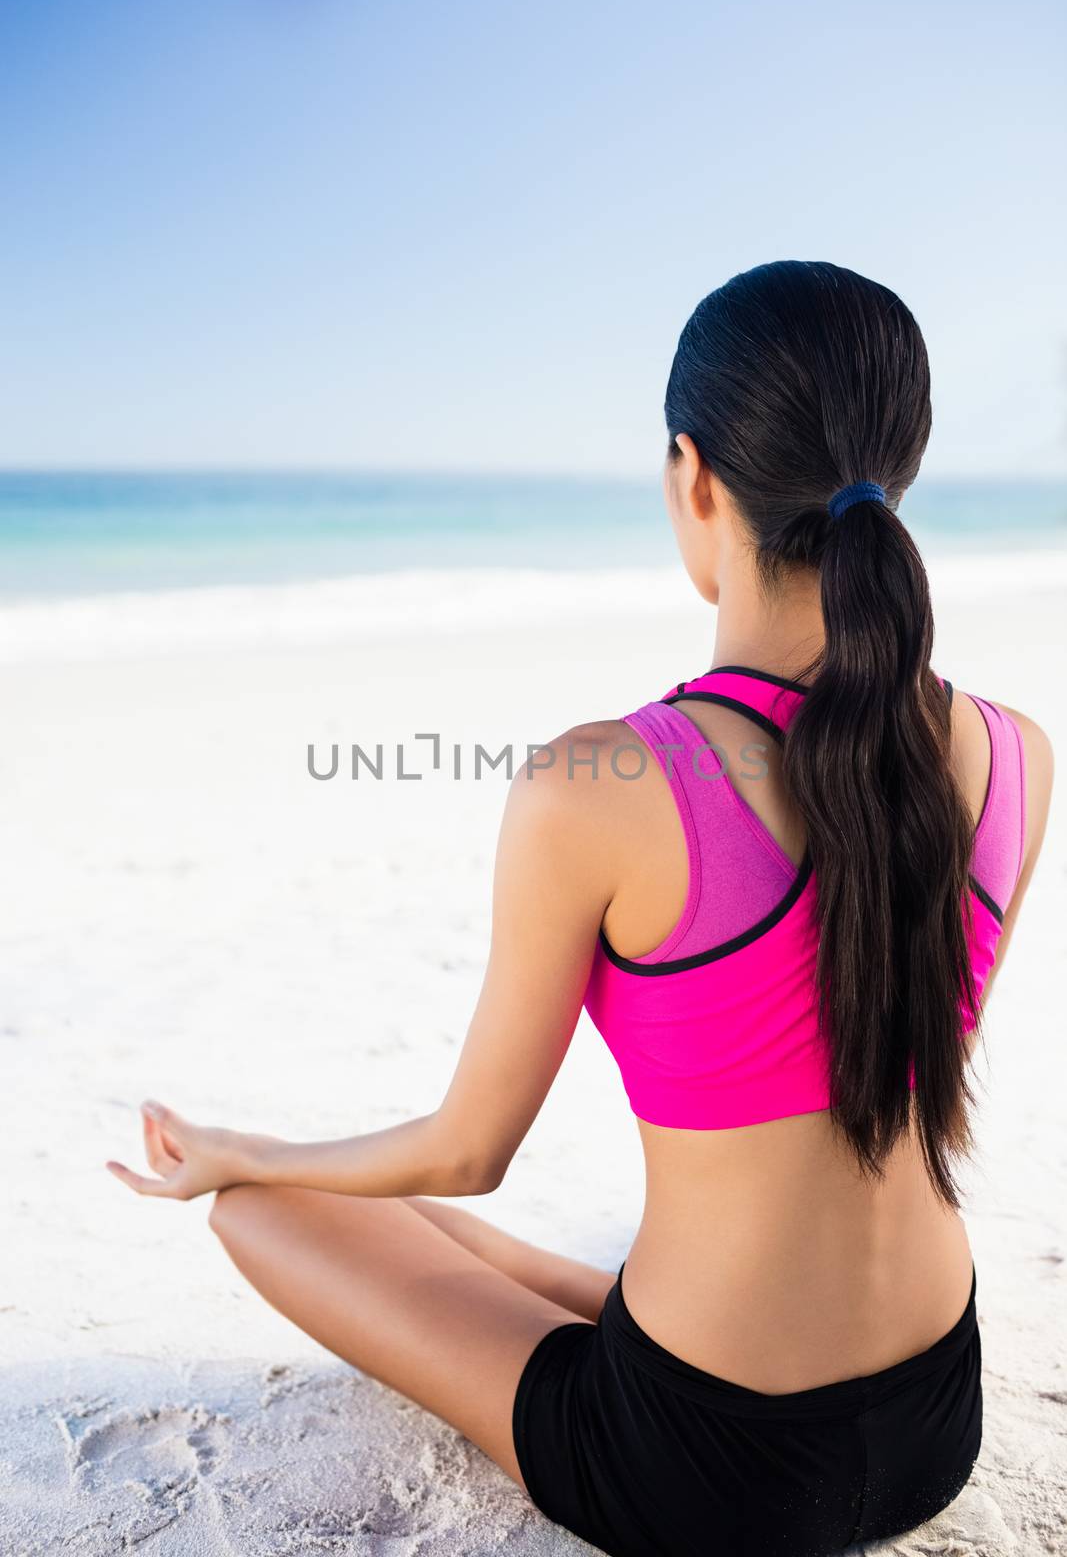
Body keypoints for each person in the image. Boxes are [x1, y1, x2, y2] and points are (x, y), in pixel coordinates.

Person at [107, 261, 1054, 1557]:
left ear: (696, 476)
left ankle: (259, 1172)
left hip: (703, 1460)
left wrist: (240, 1154)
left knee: (263, 1209)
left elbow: (465, 1152)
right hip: (935, 1408)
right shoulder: (1013, 753)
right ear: (902, 468)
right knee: (474, 1246)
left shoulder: (601, 784)